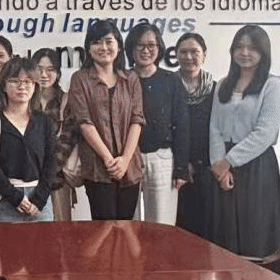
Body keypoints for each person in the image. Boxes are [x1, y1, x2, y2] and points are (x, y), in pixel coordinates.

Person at [208, 25, 280, 258]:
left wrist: (229, 161)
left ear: (263, 52)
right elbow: (214, 128)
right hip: (223, 164)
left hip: (257, 165)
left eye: (252, 48)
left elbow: (265, 133)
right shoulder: (223, 84)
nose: (244, 53)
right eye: (239, 47)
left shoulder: (273, 85)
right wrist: (219, 165)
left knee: (255, 232)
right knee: (225, 236)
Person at [67, 20, 145, 220]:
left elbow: (137, 120)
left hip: (130, 167)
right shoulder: (80, 79)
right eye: (96, 42)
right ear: (88, 48)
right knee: (104, 228)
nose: (103, 47)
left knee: (126, 227)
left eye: (109, 41)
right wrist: (109, 160)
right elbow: (84, 122)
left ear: (118, 46)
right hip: (98, 168)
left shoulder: (131, 79)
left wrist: (125, 160)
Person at [125, 22, 189, 225]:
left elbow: (182, 124)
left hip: (161, 159)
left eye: (151, 45)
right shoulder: (123, 80)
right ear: (131, 48)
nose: (146, 50)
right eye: (140, 45)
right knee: (128, 223)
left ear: (159, 48)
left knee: (162, 225)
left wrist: (181, 168)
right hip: (128, 159)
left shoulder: (171, 80)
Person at [0, 56, 57, 222]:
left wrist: (39, 200)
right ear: (4, 86)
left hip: (40, 204)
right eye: (15, 81)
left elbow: (51, 163)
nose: (22, 86)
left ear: (35, 87)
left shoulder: (44, 121)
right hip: (5, 202)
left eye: (28, 81)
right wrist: (16, 198)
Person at [174, 32, 216, 239]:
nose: (188, 57)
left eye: (194, 52)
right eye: (183, 52)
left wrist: (200, 164)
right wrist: (183, 164)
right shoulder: (169, 86)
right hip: (177, 170)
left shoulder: (217, 89)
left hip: (209, 168)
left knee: (208, 230)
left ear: (204, 55)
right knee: (179, 230)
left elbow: (218, 129)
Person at [32, 48, 78, 222]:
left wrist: (47, 174)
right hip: (29, 182)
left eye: (50, 69)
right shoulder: (25, 102)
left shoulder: (66, 101)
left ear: (58, 73)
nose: (44, 75)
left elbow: (67, 141)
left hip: (57, 181)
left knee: (60, 230)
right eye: (39, 69)